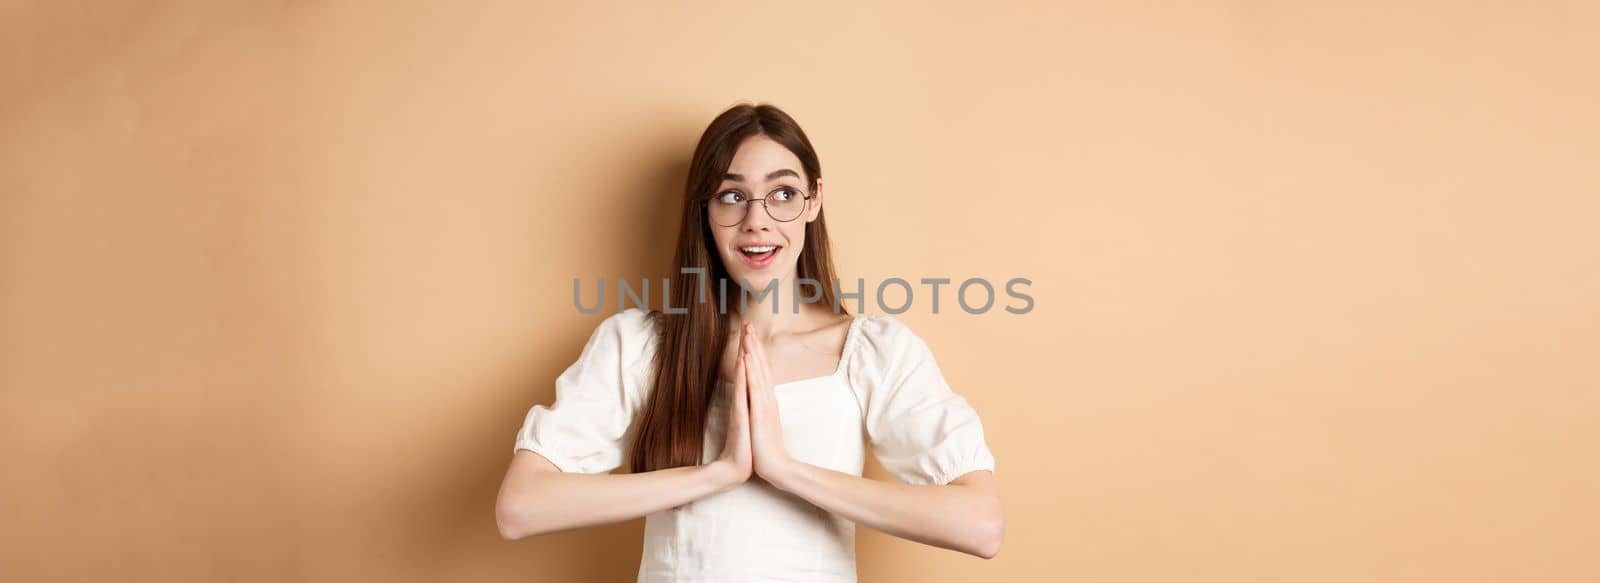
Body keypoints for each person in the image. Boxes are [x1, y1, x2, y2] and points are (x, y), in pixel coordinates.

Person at [494, 102, 1002, 582]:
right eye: (732, 195)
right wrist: (717, 474)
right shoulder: (640, 345)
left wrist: (786, 470)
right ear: (705, 210)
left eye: (782, 193)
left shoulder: (872, 350)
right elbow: (521, 507)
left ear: (814, 201)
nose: (757, 220)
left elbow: (979, 524)